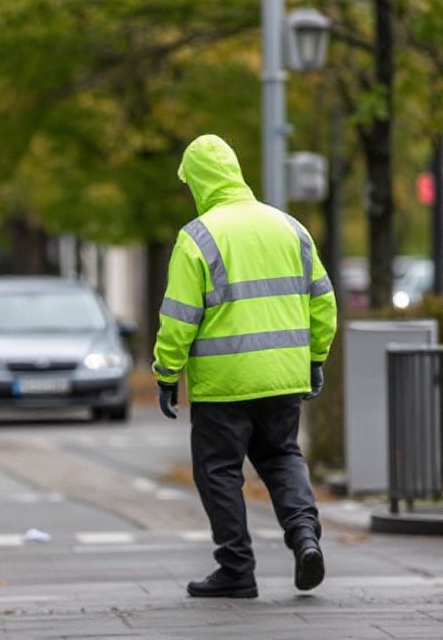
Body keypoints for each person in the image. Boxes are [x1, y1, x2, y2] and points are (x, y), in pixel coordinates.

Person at [152, 134, 337, 599]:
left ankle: (236, 568)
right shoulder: (289, 228)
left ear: (196, 181)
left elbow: (179, 317)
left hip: (224, 384)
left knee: (218, 471)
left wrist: (165, 373)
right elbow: (324, 303)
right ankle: (304, 537)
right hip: (282, 378)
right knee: (282, 457)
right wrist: (315, 359)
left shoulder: (197, 237)